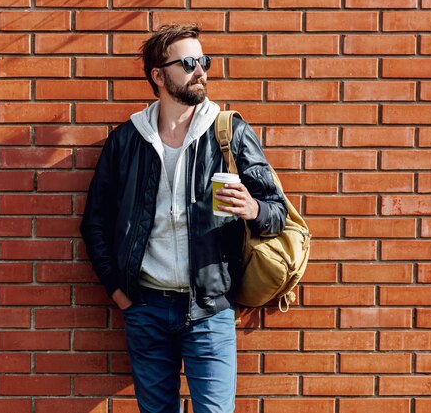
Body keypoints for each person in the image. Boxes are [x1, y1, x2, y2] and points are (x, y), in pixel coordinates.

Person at [80, 23, 287, 413]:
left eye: (203, 60)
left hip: (210, 309)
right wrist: (119, 292)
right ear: (158, 76)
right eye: (189, 62)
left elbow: (277, 212)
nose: (201, 71)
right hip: (146, 308)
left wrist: (253, 209)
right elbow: (95, 224)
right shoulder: (127, 140)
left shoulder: (231, 133)